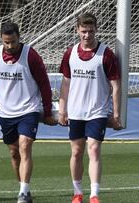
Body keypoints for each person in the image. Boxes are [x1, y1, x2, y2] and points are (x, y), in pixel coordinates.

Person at [0, 22, 57, 203]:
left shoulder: (31, 56)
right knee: (14, 152)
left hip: (28, 109)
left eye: (13, 42)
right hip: (6, 113)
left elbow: (44, 84)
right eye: (6, 42)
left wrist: (47, 111)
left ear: (19, 37)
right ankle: (22, 187)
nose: (10, 46)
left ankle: (24, 193)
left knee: (25, 145)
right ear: (1, 39)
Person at [58, 13, 122, 203]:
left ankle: (94, 195)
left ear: (96, 29)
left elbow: (116, 86)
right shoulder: (70, 53)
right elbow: (65, 83)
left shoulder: (106, 54)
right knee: (76, 152)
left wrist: (116, 114)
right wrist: (63, 110)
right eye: (84, 31)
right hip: (76, 111)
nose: (87, 35)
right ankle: (77, 193)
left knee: (93, 150)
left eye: (91, 31)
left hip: (97, 111)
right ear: (77, 30)